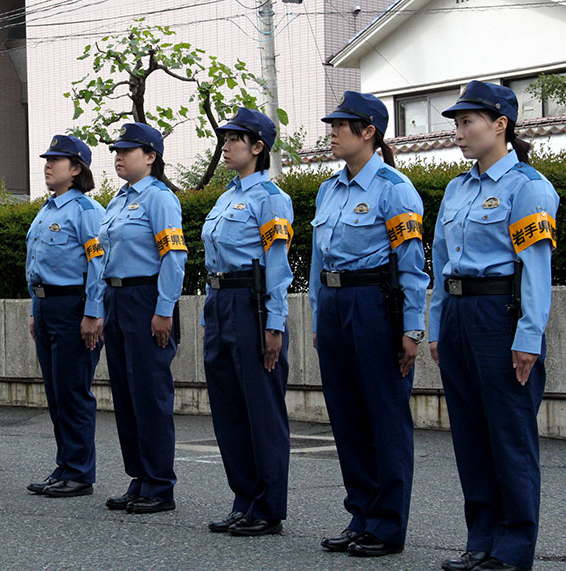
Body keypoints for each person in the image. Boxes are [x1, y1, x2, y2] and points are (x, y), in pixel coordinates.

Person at [430, 81, 558, 571]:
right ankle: (481, 539)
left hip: (499, 316)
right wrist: (438, 326)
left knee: (508, 434)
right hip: (460, 317)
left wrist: (529, 336)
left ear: (500, 124)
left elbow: (537, 270)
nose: (459, 133)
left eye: (468, 122)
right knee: (470, 435)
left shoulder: (528, 187)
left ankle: (513, 548)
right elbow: (441, 264)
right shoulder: (457, 189)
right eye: (457, 124)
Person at [309, 92, 429, 557]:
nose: (333, 131)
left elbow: (412, 264)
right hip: (337, 304)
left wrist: (412, 328)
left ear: (368, 133)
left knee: (384, 415)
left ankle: (386, 524)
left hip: (375, 303)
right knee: (347, 415)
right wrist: (320, 315)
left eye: (342, 125)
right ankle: (360, 514)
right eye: (333, 124)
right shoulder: (328, 188)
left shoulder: (394, 187)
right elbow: (319, 260)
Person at [201, 108, 294, 536]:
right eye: (225, 138)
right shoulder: (226, 196)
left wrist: (274, 323)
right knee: (228, 408)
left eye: (235, 139)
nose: (226, 145)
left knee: (261, 409)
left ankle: (267, 506)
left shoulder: (270, 197)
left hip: (251, 303)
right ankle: (244, 499)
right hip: (220, 302)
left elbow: (277, 265)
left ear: (258, 147)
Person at [98, 123, 187, 514]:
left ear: (150, 156)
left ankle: (159, 483)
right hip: (117, 298)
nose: (118, 155)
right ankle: (138, 475)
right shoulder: (117, 201)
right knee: (125, 392)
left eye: (127, 150)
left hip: (146, 297)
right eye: (116, 150)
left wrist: (164, 309)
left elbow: (173, 256)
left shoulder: (160, 198)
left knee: (150, 394)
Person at [25, 135, 105, 498]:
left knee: (73, 392)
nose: (47, 165)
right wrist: (33, 308)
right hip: (46, 306)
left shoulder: (86, 211)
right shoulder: (47, 209)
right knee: (56, 393)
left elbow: (98, 265)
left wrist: (92, 313)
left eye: (56, 160)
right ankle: (64, 465)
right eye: (47, 159)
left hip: (73, 307)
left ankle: (79, 472)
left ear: (76, 169)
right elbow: (36, 265)